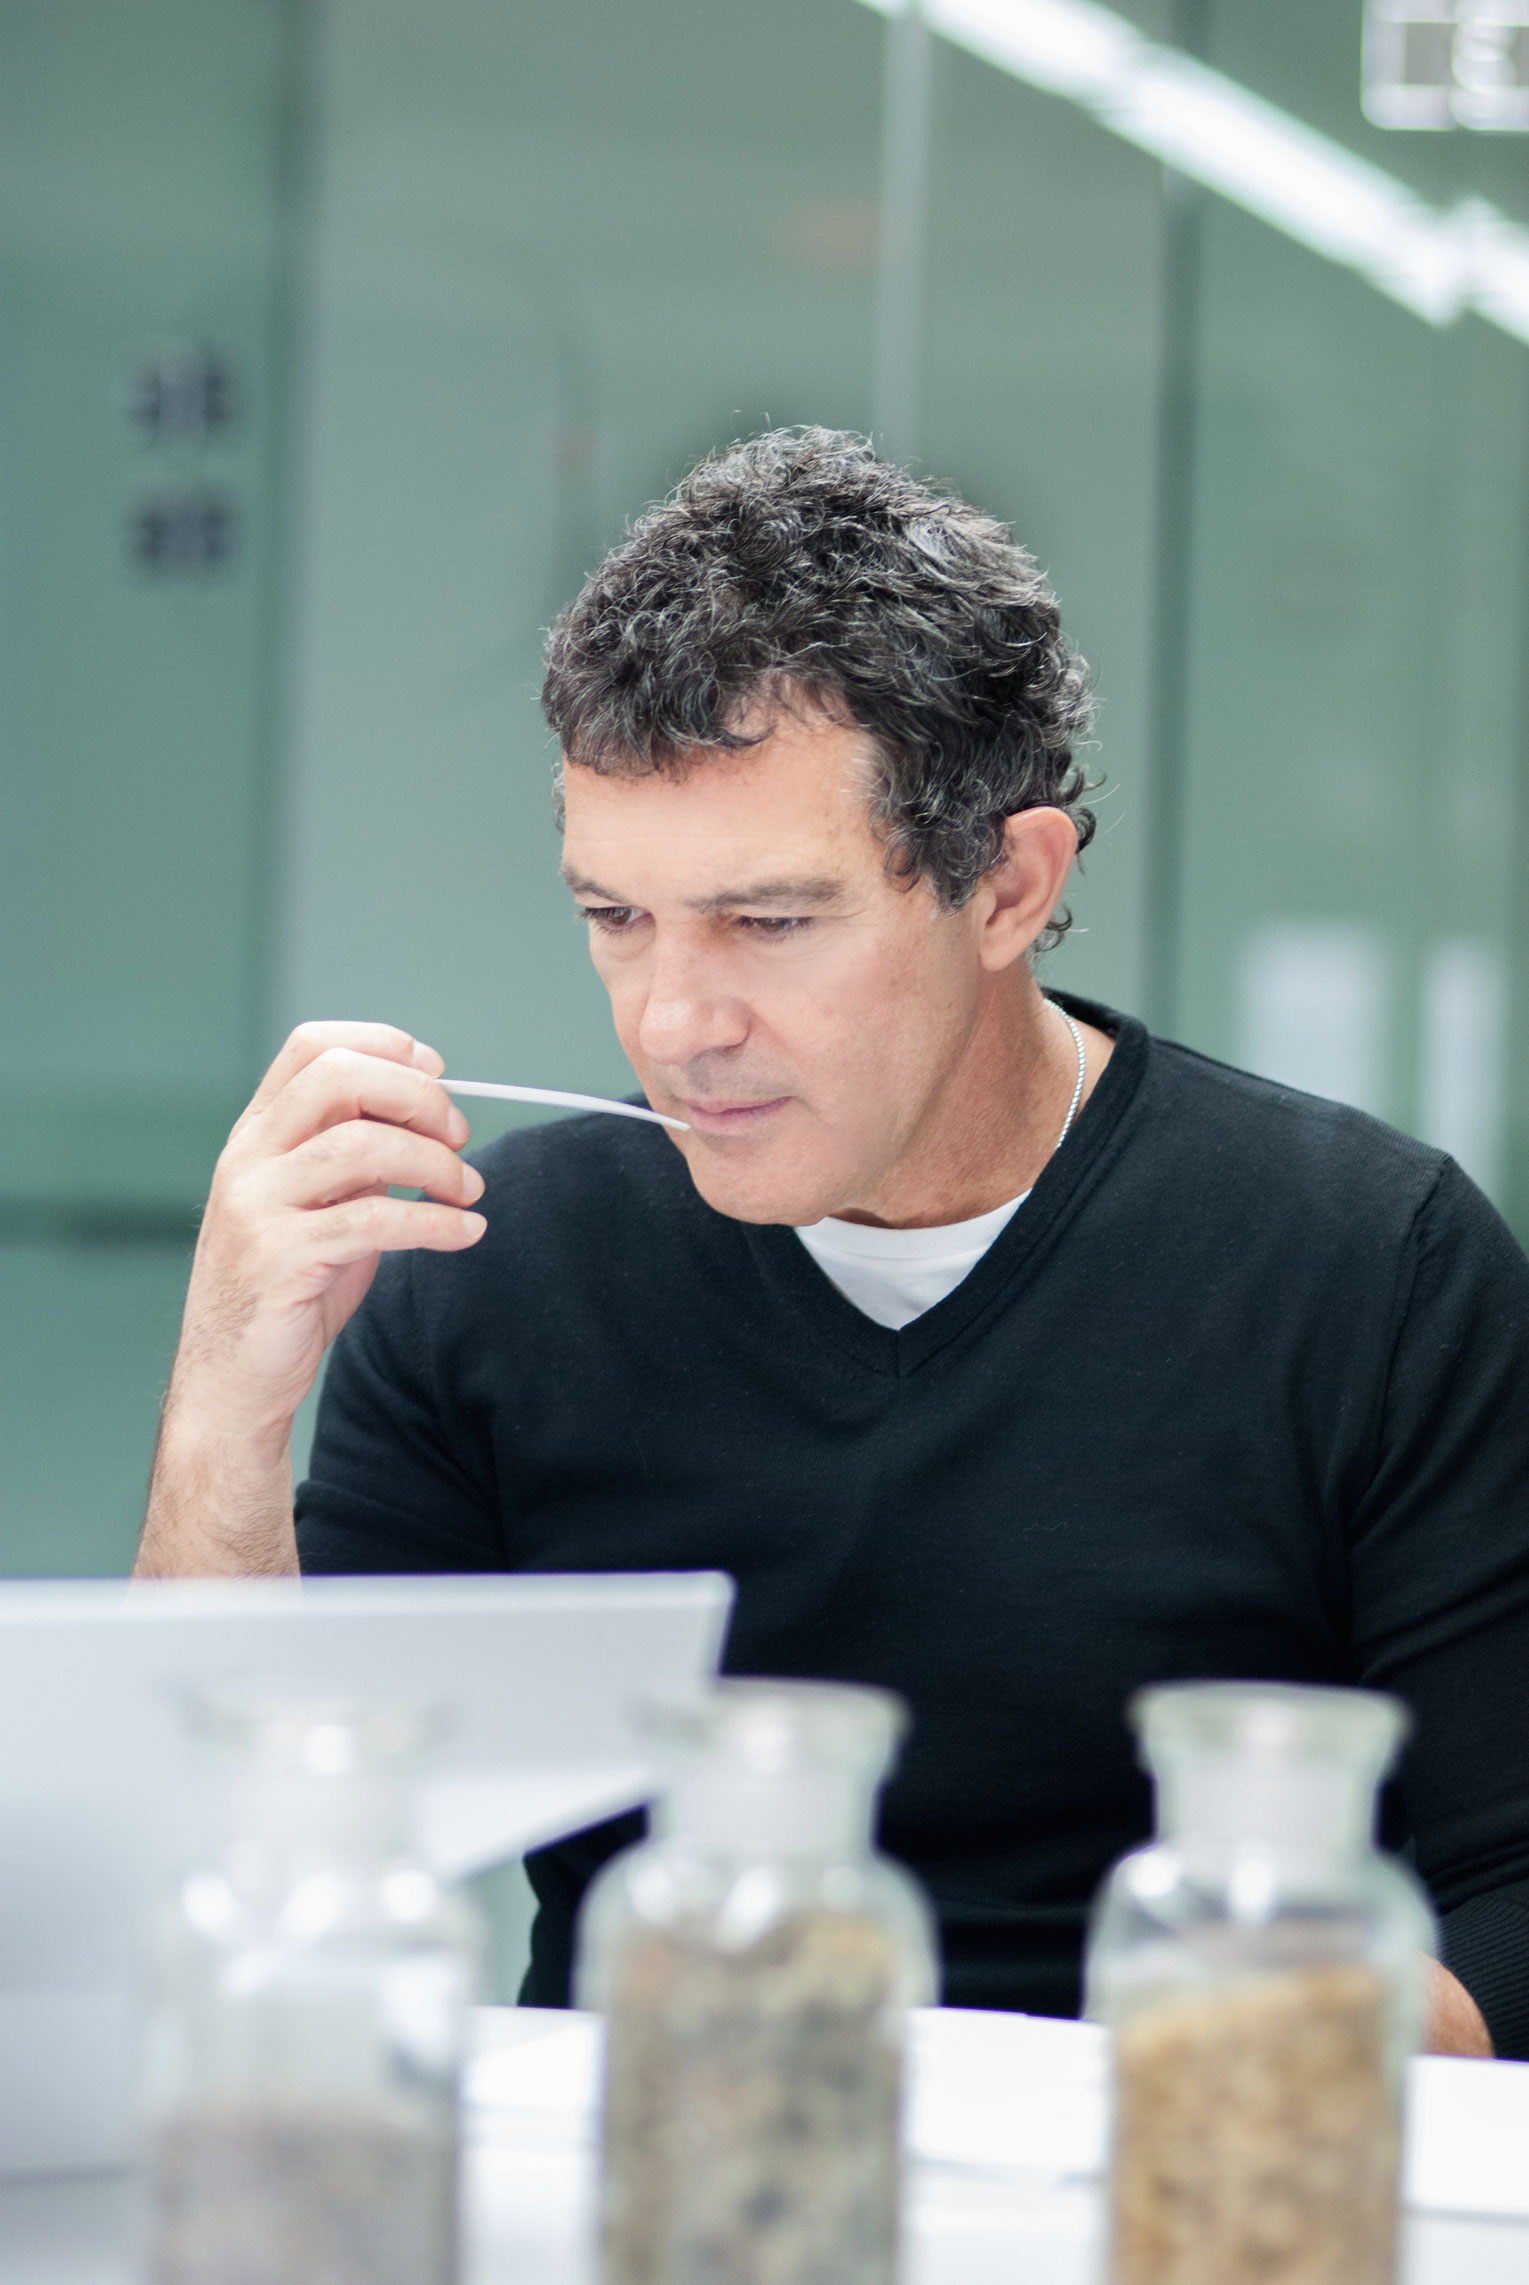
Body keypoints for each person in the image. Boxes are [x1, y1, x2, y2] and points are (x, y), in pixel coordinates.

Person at [138, 429, 1529, 2060]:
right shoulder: (497, 1271)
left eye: (770, 921)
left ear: (1006, 887)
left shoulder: (1369, 1267)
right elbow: (223, 1879)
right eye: (615, 917)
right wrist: (225, 1403)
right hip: (641, 2161)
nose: (676, 1020)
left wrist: (1177, 2092)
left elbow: (1512, 1907)